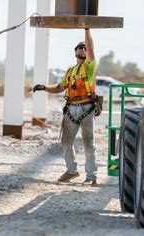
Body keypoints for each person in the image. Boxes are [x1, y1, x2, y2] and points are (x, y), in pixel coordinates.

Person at [33, 29, 98, 186]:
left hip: (86, 108)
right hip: (71, 109)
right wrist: (44, 87)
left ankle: (91, 176)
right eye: (79, 47)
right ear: (75, 52)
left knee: (89, 143)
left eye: (85, 47)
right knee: (66, 141)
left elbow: (90, 46)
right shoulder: (70, 72)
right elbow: (59, 87)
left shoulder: (90, 67)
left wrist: (87, 29)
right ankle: (71, 170)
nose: (83, 48)